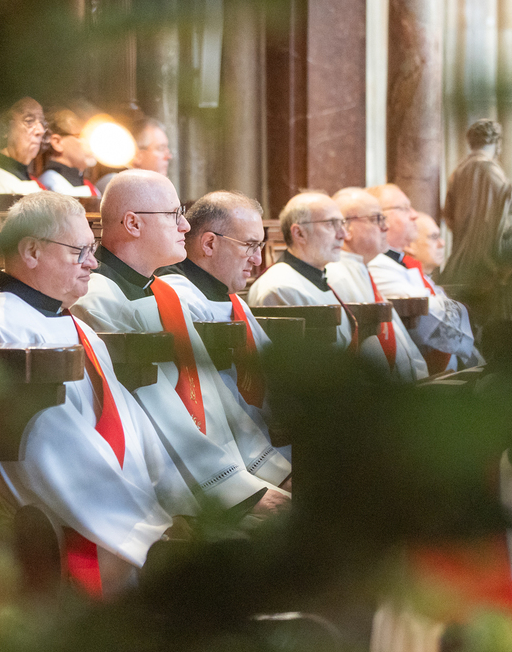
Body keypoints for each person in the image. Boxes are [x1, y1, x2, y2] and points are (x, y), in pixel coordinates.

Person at [0, 191, 196, 596]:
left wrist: (177, 501)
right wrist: (150, 528)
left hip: (121, 514)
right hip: (66, 525)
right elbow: (47, 451)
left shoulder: (71, 323)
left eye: (92, 250)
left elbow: (132, 424)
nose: (93, 264)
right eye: (79, 251)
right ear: (31, 251)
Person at [70, 170, 291, 515]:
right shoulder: (97, 299)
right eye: (174, 215)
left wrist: (271, 471)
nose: (186, 226)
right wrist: (238, 494)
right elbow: (158, 412)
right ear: (133, 223)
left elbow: (213, 394)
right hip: (169, 488)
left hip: (221, 473)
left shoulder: (165, 292)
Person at [157, 191, 292, 469]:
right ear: (209, 243)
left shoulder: (229, 298)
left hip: (268, 441)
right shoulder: (179, 298)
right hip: (231, 456)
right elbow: (213, 401)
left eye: (259, 246)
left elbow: (275, 375)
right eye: (250, 245)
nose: (257, 260)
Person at [365, 186, 482, 374]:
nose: (414, 215)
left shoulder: (401, 263)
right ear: (378, 218)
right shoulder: (376, 265)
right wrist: (464, 309)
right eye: (404, 208)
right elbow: (427, 308)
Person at [322, 187, 429, 382]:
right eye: (376, 219)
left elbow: (402, 343)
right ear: (346, 229)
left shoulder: (362, 268)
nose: (385, 227)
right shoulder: (336, 276)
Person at [246, 192, 357, 350]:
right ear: (299, 233)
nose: (342, 235)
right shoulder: (281, 288)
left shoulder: (318, 276)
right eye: (331, 224)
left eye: (342, 223)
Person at [441, 119, 512, 291]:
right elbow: (510, 199)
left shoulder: (459, 171)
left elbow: (448, 214)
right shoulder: (489, 167)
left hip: (462, 251)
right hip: (483, 252)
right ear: (497, 142)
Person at [0, 97, 47, 195]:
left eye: (41, 122)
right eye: (29, 121)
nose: (40, 131)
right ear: (5, 129)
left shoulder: (34, 183)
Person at [95, 118, 173, 194]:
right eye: (161, 149)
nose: (169, 156)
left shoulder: (159, 191)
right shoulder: (115, 184)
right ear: (137, 156)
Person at [38, 109, 100, 198]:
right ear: (57, 142)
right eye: (83, 136)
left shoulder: (89, 187)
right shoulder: (50, 185)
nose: (91, 144)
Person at [405, 213, 446, 278]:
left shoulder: (421, 278)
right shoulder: (401, 279)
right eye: (434, 237)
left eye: (439, 236)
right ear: (409, 245)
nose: (442, 243)